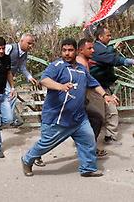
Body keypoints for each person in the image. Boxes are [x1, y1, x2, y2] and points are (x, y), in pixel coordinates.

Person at [21, 38, 117, 177]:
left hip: (79, 117)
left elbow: (93, 83)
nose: (67, 53)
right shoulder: (57, 66)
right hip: (59, 118)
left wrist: (105, 96)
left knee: (88, 139)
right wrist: (60, 86)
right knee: (46, 143)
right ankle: (27, 159)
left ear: (76, 51)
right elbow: (44, 80)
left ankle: (88, 168)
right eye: (64, 50)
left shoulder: (82, 69)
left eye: (70, 50)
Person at [90, 26, 134, 145]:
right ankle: (90, 142)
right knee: (98, 115)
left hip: (102, 86)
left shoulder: (102, 48)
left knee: (110, 111)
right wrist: (129, 61)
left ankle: (109, 136)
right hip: (96, 88)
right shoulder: (97, 49)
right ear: (100, 37)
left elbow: (109, 55)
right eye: (108, 35)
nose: (110, 37)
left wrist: (113, 49)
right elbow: (112, 59)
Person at [76, 38, 109, 157]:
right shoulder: (80, 64)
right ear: (80, 50)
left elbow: (90, 81)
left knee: (95, 121)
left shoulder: (84, 62)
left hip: (81, 101)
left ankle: (90, 148)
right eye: (89, 48)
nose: (93, 50)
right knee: (59, 132)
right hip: (76, 103)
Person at [5, 33, 39, 127]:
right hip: (0, 77)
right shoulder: (9, 48)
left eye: (32, 44)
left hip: (9, 78)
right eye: (29, 43)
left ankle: (9, 119)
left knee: (8, 97)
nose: (30, 46)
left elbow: (22, 67)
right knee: (11, 95)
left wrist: (30, 77)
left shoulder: (24, 54)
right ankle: (9, 119)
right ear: (21, 41)